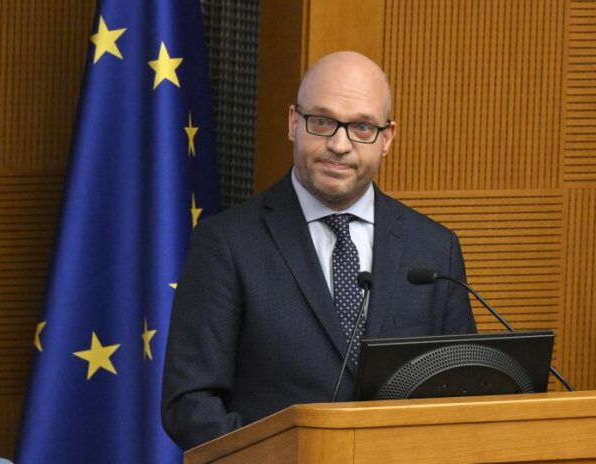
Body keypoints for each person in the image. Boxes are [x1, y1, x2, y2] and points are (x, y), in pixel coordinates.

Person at [161, 51, 476, 450]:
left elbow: (463, 390)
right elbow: (190, 403)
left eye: (362, 127)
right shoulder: (226, 243)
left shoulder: (434, 248)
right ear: (294, 123)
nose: (340, 145)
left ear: (387, 138)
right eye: (322, 122)